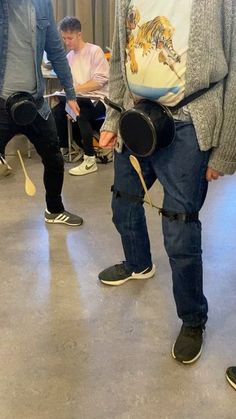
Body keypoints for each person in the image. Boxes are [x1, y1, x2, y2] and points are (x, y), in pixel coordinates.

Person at [98, 0, 236, 364]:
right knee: (123, 201)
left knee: (179, 228)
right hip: (135, 117)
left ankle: (192, 319)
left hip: (189, 122)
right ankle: (138, 263)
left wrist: (225, 150)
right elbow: (118, 59)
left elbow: (234, 69)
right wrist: (112, 119)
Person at [0, 0, 83, 226]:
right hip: (1, 105)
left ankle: (54, 210)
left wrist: (71, 94)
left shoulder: (42, 5)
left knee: (54, 158)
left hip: (34, 103)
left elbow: (56, 51)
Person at [53, 16, 109, 176]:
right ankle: (65, 148)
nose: (66, 42)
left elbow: (100, 81)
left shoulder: (94, 51)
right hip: (78, 99)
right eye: (64, 38)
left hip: (98, 100)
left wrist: (74, 91)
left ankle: (90, 160)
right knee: (56, 112)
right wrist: (65, 95)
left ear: (79, 35)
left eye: (69, 38)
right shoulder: (69, 57)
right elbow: (68, 83)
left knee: (80, 114)